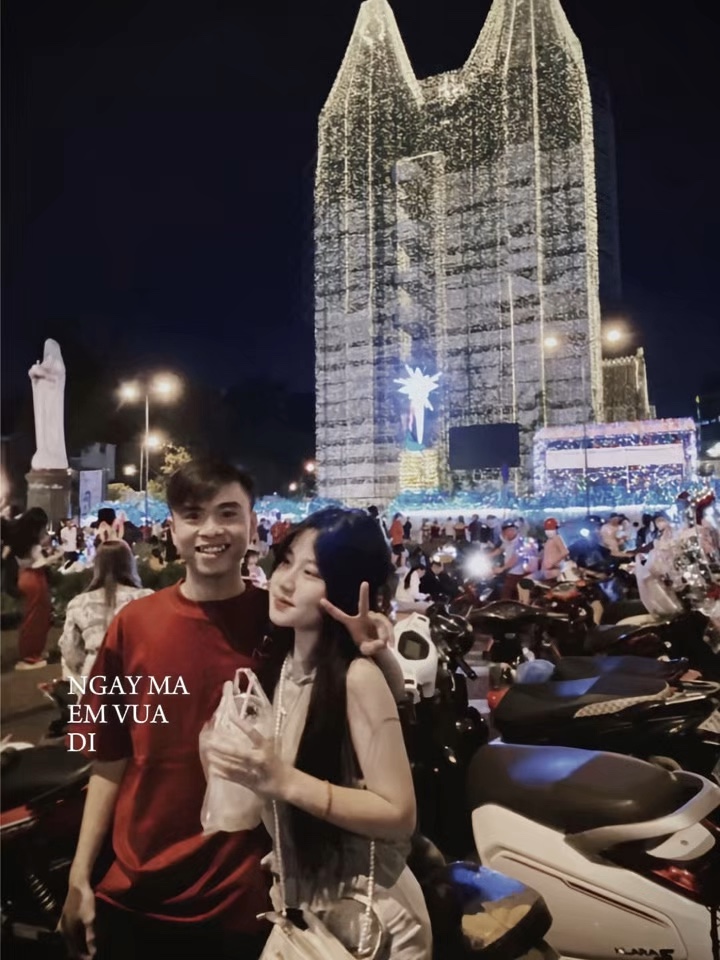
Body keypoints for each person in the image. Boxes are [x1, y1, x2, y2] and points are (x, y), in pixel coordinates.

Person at [60, 458, 404, 960]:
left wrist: (378, 650)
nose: (210, 530)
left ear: (251, 523)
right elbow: (108, 758)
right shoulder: (133, 626)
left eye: (227, 513)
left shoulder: (281, 622)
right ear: (172, 528)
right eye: (192, 515)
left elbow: (362, 692)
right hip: (138, 886)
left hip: (248, 898)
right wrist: (79, 874)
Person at [205, 508, 432, 957]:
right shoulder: (280, 669)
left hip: (371, 926)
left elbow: (399, 813)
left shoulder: (356, 678)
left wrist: (284, 780)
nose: (286, 582)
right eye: (287, 562)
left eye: (311, 573)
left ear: (345, 589)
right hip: (304, 914)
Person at [59, 541, 153, 684]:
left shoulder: (78, 603)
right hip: (138, 673)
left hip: (95, 676)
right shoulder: (147, 598)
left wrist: (85, 666)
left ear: (97, 566)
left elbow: (70, 650)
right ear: (129, 564)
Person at [3, 507, 55, 669]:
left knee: (36, 617)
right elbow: (39, 563)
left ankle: (34, 652)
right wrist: (55, 556)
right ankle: (30, 657)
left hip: (29, 579)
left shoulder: (20, 541)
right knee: (35, 619)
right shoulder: (31, 544)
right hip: (34, 580)